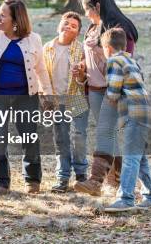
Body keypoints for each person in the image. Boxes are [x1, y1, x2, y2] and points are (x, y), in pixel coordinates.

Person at [0, 0, 53, 195]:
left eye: (2, 15)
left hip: (26, 96)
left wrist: (48, 94)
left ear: (16, 20)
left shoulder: (34, 38)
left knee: (29, 137)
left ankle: (32, 179)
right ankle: (1, 182)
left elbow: (41, 69)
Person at [74, 0, 139, 196]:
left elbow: (124, 60)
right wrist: (82, 68)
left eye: (87, 8)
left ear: (98, 5)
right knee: (108, 134)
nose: (85, 13)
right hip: (93, 88)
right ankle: (116, 178)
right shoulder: (92, 28)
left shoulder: (120, 29)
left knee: (105, 132)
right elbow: (88, 55)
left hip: (112, 90)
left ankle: (95, 182)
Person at [99, 28, 151, 213]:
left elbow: (114, 91)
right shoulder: (131, 61)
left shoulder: (113, 61)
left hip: (133, 113)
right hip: (144, 111)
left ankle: (125, 198)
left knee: (130, 157)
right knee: (139, 158)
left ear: (107, 48)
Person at [42, 12, 89, 193]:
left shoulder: (81, 49)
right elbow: (43, 75)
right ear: (59, 25)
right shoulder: (47, 48)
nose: (68, 26)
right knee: (61, 138)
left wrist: (81, 75)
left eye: (73, 26)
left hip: (76, 97)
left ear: (77, 33)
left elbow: (85, 77)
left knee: (79, 136)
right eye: (66, 23)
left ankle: (81, 174)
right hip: (56, 100)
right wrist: (45, 99)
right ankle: (62, 176)